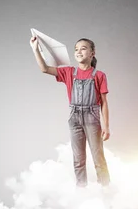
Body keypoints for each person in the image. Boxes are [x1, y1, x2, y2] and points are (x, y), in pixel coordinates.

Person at [30, 36, 111, 187]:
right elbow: (44, 69)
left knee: (98, 159)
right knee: (78, 160)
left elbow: (104, 103)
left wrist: (106, 126)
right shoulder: (69, 72)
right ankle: (81, 192)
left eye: (83, 48)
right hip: (74, 119)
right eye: (76, 49)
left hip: (92, 118)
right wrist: (35, 49)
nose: (79, 51)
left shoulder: (99, 76)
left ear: (92, 53)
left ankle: (106, 191)